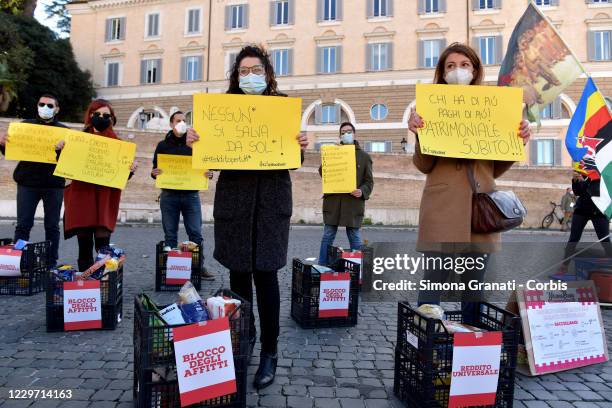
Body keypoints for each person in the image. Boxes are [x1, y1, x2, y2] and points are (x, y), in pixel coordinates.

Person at [187, 45, 308, 390]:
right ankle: (245, 336)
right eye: (243, 71)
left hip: (271, 202)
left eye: (256, 70)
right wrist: (198, 141)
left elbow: (292, 160)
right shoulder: (222, 109)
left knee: (266, 278)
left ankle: (270, 351)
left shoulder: (282, 107)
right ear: (235, 76)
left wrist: (299, 145)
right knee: (239, 275)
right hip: (235, 202)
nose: (249, 76)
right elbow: (210, 158)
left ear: (267, 74)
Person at [408, 43, 531, 322]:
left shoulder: (494, 108)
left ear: (474, 70)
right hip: (441, 209)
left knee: (474, 284)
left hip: (481, 212)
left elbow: (495, 170)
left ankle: (472, 345)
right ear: (442, 73)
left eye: (464, 65)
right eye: (450, 66)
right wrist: (419, 135)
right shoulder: (427, 108)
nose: (457, 71)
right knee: (434, 279)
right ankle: (427, 345)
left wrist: (517, 140)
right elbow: (423, 165)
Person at [56, 99, 138, 272]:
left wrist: (130, 170)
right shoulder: (77, 141)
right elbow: (66, 167)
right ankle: (87, 285)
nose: (101, 117)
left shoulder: (120, 145)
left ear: (112, 119)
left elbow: (121, 176)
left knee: (103, 247)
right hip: (82, 197)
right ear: (90, 116)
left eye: (106, 115)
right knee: (84, 247)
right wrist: (60, 151)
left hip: (105, 198)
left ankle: (103, 283)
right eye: (97, 114)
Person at [0, 94, 67, 267]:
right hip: (27, 184)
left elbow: (69, 161)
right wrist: (2, 144)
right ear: (37, 105)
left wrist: (61, 150)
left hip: (54, 185)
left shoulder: (64, 132)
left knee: (52, 227)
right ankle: (18, 262)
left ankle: (51, 263)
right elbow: (10, 153)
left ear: (57, 109)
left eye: (50, 105)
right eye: (42, 104)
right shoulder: (24, 127)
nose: (45, 107)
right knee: (23, 225)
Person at [151, 110, 215, 280]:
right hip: (169, 196)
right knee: (170, 235)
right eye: (178, 120)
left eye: (184, 120)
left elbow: (206, 166)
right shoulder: (162, 146)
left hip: (191, 196)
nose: (182, 123)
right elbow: (155, 169)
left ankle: (198, 267)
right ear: (171, 124)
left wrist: (208, 174)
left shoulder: (195, 145)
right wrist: (154, 172)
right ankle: (172, 269)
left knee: (195, 233)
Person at [317, 122, 374, 266]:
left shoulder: (364, 156)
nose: (346, 134)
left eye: (348, 131)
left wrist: (362, 191)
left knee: (354, 235)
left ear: (354, 134)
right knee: (328, 235)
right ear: (340, 136)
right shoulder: (333, 152)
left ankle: (358, 270)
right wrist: (329, 158)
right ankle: (321, 267)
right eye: (343, 132)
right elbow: (323, 173)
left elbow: (369, 182)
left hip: (353, 203)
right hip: (333, 202)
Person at [556, 172, 612, 275]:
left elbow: (596, 191)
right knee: (573, 238)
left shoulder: (605, 172)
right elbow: (577, 192)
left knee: (604, 239)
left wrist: (584, 182)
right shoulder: (584, 172)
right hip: (582, 209)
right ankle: (564, 266)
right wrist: (575, 180)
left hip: (599, 211)